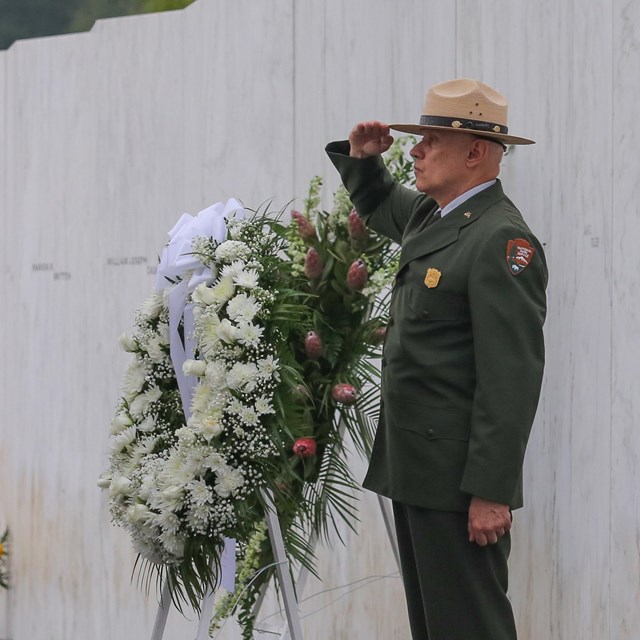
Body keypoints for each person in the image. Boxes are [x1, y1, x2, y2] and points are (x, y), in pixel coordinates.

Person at [325, 78, 548, 640]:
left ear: (475, 152)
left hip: (458, 484)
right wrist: (363, 162)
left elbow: (511, 376)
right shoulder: (435, 215)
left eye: (430, 140)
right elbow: (377, 203)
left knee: (470, 626)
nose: (415, 151)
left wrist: (492, 492)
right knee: (435, 626)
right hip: (419, 470)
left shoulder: (500, 242)